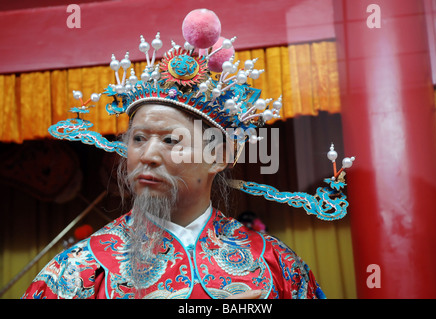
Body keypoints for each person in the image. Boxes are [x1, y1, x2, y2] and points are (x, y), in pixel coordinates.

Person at [21, 8, 340, 299]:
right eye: (139, 138)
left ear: (219, 155)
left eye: (171, 140)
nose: (148, 155)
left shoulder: (276, 266)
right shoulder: (79, 271)